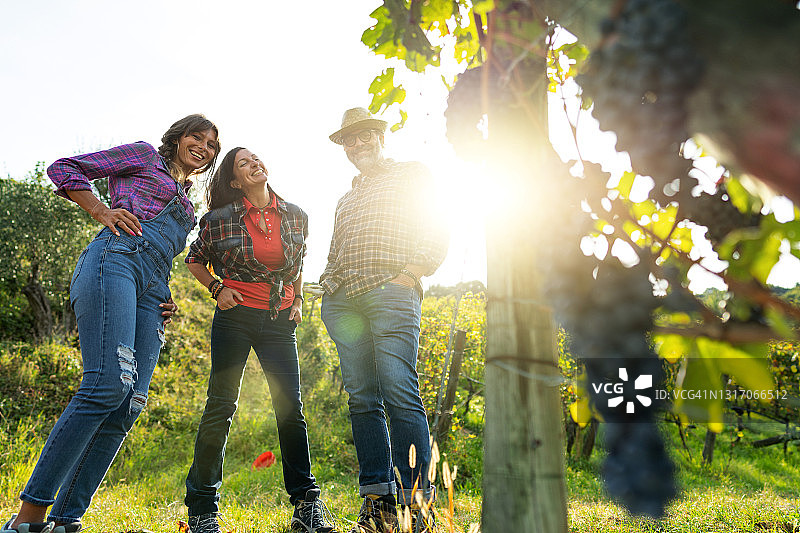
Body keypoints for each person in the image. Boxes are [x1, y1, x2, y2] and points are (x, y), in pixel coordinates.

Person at [1, 114, 220, 533]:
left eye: (212, 144)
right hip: (114, 262)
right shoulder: (142, 156)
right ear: (177, 138)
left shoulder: (190, 203)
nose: (205, 147)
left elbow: (165, 254)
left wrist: (165, 292)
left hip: (152, 293)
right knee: (106, 385)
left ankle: (67, 520)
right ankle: (28, 518)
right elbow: (65, 168)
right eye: (198, 137)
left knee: (128, 405)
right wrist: (101, 210)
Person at [182, 147, 334, 533]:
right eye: (243, 163)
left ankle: (306, 507)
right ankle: (202, 511)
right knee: (221, 406)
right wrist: (217, 288)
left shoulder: (296, 214)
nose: (255, 164)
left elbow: (299, 263)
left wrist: (297, 299)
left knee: (290, 409)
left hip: (279, 319)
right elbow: (194, 259)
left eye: (256, 158)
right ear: (234, 181)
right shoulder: (217, 220)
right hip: (235, 318)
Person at [319, 108, 449, 533]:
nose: (357, 146)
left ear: (379, 136)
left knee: (399, 392)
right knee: (362, 400)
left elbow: (437, 224)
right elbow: (334, 251)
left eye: (363, 137)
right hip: (345, 303)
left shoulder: (412, 174)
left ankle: (418, 508)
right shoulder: (346, 197)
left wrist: (410, 274)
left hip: (392, 294)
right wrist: (328, 284)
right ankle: (378, 505)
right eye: (349, 142)